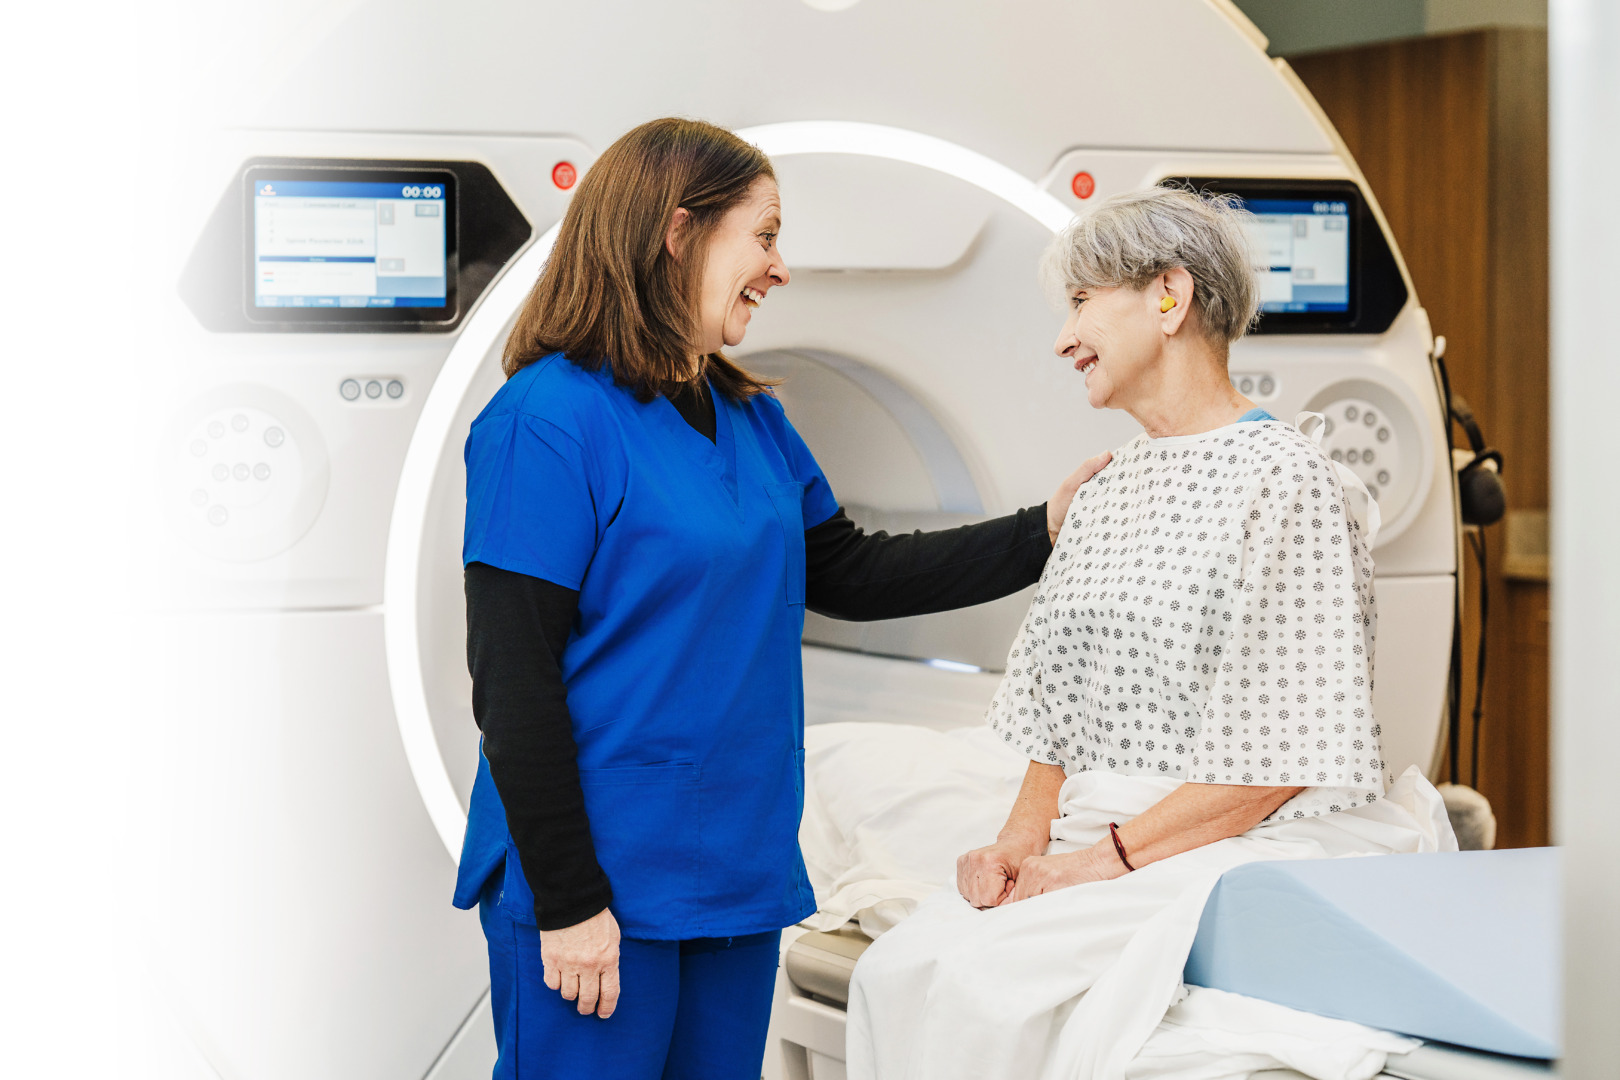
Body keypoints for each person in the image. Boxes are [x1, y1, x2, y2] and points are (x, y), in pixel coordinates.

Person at [451, 117, 1105, 1080]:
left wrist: (1044, 529)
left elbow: (848, 572)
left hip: (737, 867)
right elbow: (513, 683)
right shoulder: (546, 421)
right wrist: (570, 901)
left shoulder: (751, 415)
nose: (780, 267)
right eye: (763, 236)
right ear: (677, 231)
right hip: (600, 877)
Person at [845, 187, 1454, 1080]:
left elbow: (1276, 762)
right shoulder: (1106, 486)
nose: (1063, 339)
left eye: (1081, 303)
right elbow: (1059, 713)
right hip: (1110, 832)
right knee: (896, 971)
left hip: (1239, 836)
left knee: (988, 992)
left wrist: (1100, 862)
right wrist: (1019, 841)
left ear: (1169, 296)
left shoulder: (1289, 483)